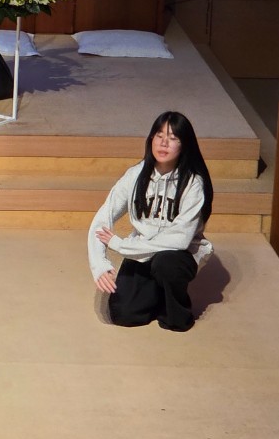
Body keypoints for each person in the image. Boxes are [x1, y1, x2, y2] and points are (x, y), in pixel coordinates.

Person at [88, 110, 215, 331]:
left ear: (184, 145)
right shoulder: (135, 175)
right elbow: (103, 218)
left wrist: (120, 245)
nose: (164, 143)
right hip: (141, 250)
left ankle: (177, 309)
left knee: (166, 265)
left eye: (173, 138)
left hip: (177, 255)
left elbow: (179, 240)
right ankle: (156, 291)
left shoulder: (193, 183)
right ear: (151, 139)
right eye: (159, 135)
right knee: (123, 314)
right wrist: (100, 264)